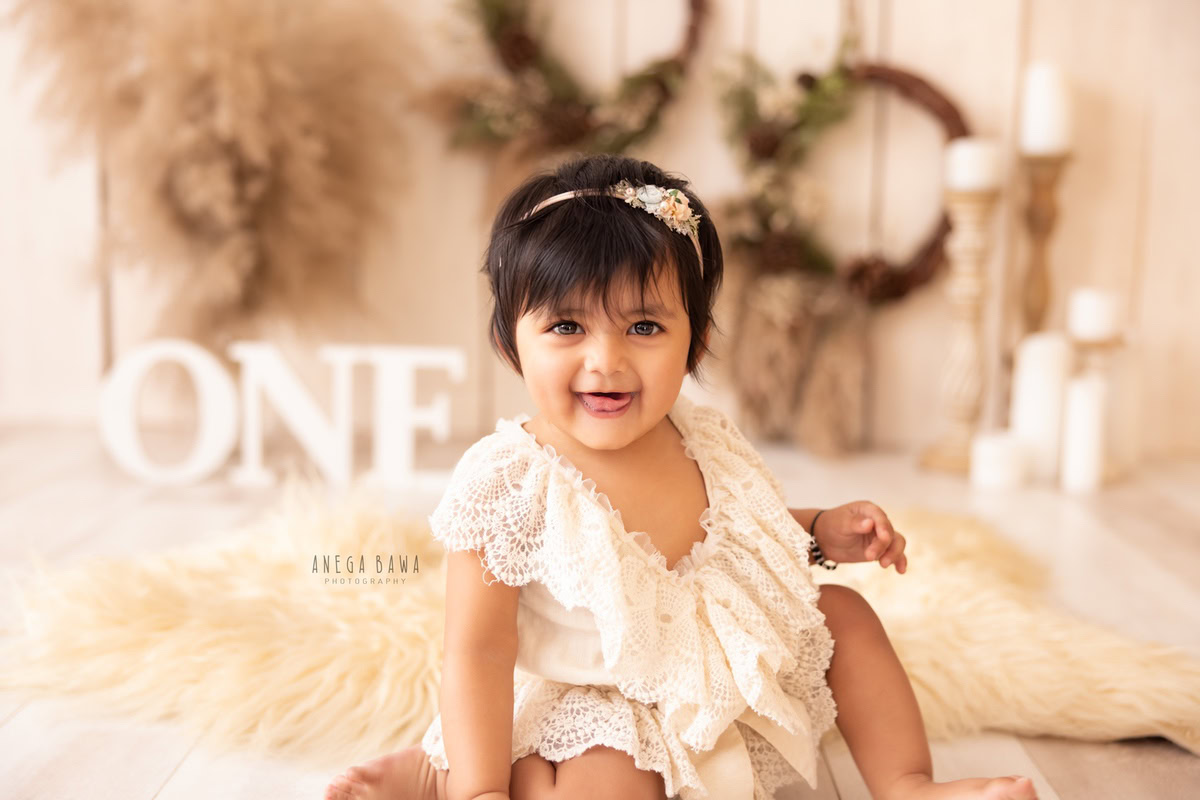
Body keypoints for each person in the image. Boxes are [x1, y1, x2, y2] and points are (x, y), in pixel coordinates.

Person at [324, 154, 1038, 800]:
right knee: (607, 782)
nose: (605, 361)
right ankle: (451, 774)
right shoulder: (511, 482)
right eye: (567, 327)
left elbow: (741, 536)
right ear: (512, 341)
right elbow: (477, 651)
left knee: (843, 616)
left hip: (703, 674)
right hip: (596, 695)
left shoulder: (698, 437)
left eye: (643, 328)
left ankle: (909, 785)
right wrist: (482, 790)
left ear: (695, 342)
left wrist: (820, 531)